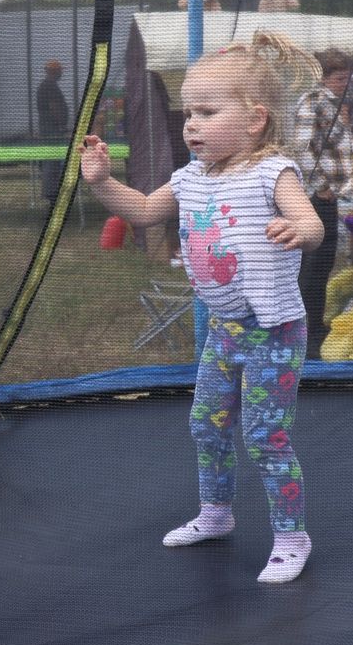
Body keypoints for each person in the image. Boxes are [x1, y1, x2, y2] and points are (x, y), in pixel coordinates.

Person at [80, 31, 325, 584]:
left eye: (206, 112)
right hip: (225, 330)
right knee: (206, 423)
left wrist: (299, 229)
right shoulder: (189, 179)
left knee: (265, 434)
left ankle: (292, 534)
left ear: (255, 120)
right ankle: (216, 513)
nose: (190, 124)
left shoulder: (272, 171)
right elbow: (142, 211)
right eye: (188, 112)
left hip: (274, 330)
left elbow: (311, 222)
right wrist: (101, 183)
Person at [290, 47, 353, 360]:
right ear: (324, 77)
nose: (345, 83)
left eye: (347, 78)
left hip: (331, 196)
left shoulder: (333, 102)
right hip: (317, 199)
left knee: (323, 267)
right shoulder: (312, 102)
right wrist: (321, 187)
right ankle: (304, 336)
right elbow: (301, 148)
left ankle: (315, 326)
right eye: (340, 78)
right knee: (312, 266)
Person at [36, 59, 70, 205]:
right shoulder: (49, 87)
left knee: (53, 161)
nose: (61, 73)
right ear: (52, 72)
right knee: (52, 161)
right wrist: (61, 125)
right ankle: (52, 197)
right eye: (59, 70)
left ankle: (54, 195)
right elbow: (54, 108)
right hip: (51, 131)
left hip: (50, 129)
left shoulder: (49, 86)